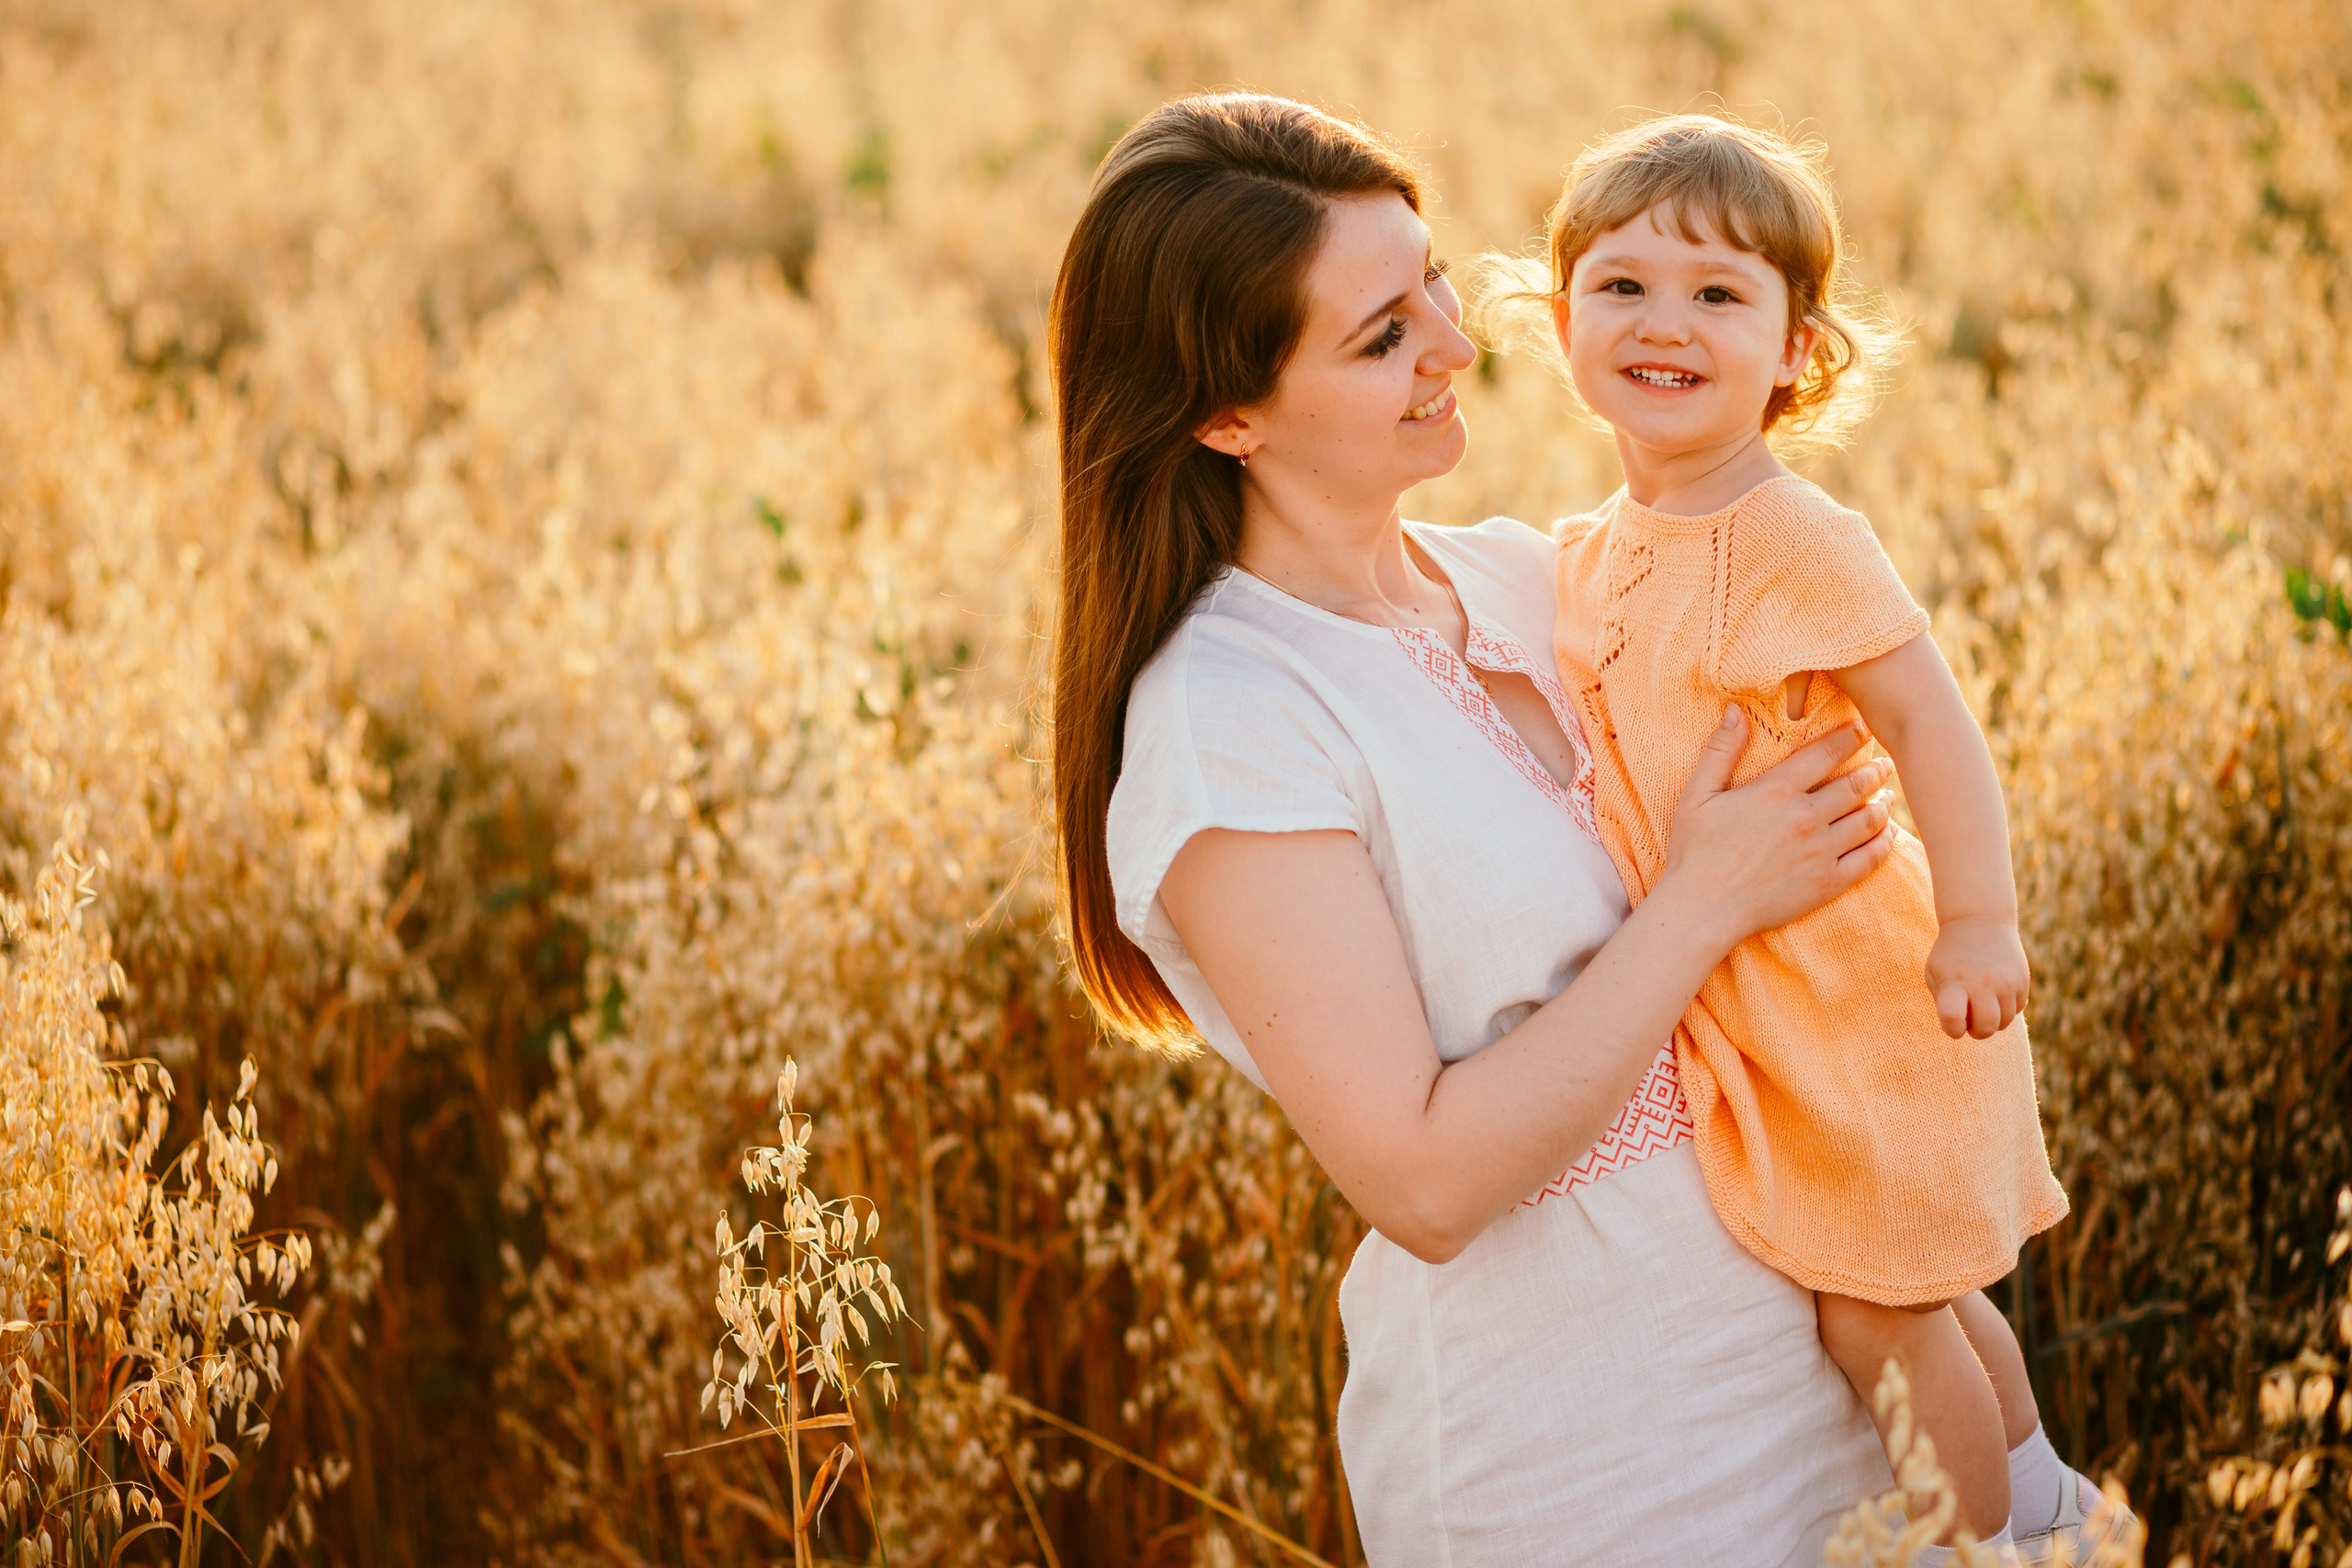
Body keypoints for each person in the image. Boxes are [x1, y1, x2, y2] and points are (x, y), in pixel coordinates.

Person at [1051, 91, 1906, 1565]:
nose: (1460, 343)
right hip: (1577, 1447)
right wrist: (1702, 904)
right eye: (1382, 336)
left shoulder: (1532, 579)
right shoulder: (1228, 723)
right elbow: (1426, 1182)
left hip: (1821, 1365)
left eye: (1435, 281)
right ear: (1226, 413)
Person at [1473, 114, 2124, 1562]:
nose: (1665, 323)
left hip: (1855, 993)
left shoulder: (1792, 534)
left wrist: (1980, 921)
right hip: (1759, 999)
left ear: (1796, 355)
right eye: (1624, 286)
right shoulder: (1593, 544)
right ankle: (2048, 1511)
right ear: (1559, 317)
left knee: (1872, 1305)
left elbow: (1933, 726)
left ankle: (1970, 1547)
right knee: (1926, 1287)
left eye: (1720, 295)